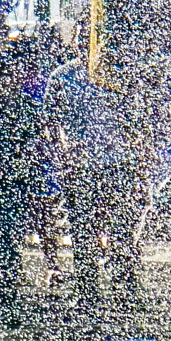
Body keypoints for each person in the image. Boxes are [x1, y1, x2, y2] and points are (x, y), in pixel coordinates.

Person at [45, 55, 144, 314]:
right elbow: (50, 122)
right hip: (81, 164)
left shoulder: (117, 72)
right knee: (83, 231)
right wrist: (62, 154)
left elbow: (136, 119)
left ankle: (126, 290)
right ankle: (88, 292)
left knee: (121, 229)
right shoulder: (63, 76)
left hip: (116, 163)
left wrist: (135, 156)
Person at [0, 50, 59, 323]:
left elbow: (37, 147)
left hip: (16, 183)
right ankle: (5, 299)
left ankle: (7, 298)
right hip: (1, 184)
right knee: (7, 242)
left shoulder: (24, 108)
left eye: (17, 73)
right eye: (9, 74)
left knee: (10, 242)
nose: (13, 79)